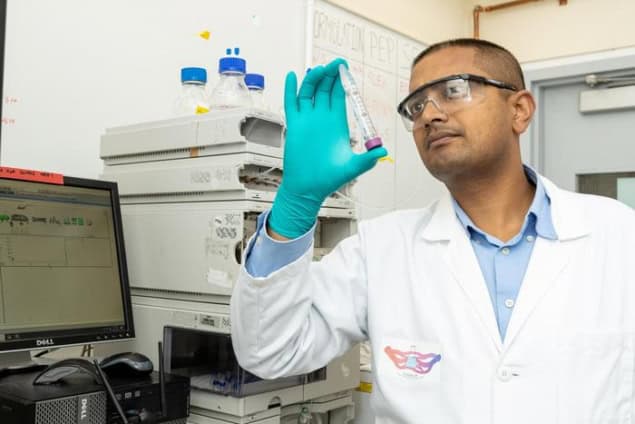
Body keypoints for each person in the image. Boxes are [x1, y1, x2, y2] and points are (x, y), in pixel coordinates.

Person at [230, 38, 635, 423]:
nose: (429, 114)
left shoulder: (618, 234)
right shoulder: (381, 249)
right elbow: (270, 352)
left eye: (454, 90)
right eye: (416, 105)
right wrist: (294, 207)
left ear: (520, 110)